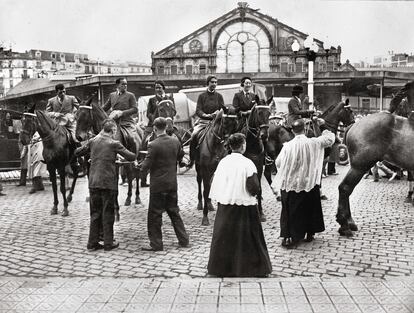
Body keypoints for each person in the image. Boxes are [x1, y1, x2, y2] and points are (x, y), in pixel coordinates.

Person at [208, 133, 272, 277]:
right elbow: (254, 187)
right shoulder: (247, 163)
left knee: (224, 236)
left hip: (226, 203)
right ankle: (253, 267)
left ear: (230, 146)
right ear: (243, 146)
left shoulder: (223, 162)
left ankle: (221, 268)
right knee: (249, 236)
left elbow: (215, 182)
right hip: (245, 205)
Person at [75, 119, 136, 252]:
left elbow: (78, 152)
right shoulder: (114, 143)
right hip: (108, 183)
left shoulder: (93, 141)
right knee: (108, 213)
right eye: (115, 131)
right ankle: (108, 243)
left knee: (95, 213)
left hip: (93, 183)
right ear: (113, 130)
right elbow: (131, 157)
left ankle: (92, 244)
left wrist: (94, 157)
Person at [272, 119, 335, 248]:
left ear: (293, 131)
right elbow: (329, 139)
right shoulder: (313, 143)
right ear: (305, 130)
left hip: (290, 183)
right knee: (311, 206)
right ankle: (310, 233)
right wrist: (322, 124)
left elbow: (278, 163)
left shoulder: (287, 146)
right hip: (308, 182)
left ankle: (288, 235)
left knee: (288, 209)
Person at [140, 117, 189, 251]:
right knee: (174, 212)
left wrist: (138, 165)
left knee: (155, 215)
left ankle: (156, 244)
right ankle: (184, 240)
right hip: (172, 184)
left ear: (155, 129)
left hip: (158, 186)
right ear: (166, 127)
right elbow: (180, 155)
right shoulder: (175, 141)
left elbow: (146, 166)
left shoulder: (153, 144)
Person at [141, 80, 176, 187]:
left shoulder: (169, 98)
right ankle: (142, 161)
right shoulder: (152, 100)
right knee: (145, 139)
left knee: (177, 137)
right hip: (155, 124)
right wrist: (156, 120)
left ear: (163, 88)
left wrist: (169, 118)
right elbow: (148, 113)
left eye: (160, 87)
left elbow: (174, 111)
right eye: (156, 88)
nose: (158, 89)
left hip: (168, 123)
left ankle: (180, 158)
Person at [188, 75, 225, 167]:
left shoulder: (219, 96)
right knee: (194, 135)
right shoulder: (202, 96)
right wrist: (206, 115)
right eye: (212, 82)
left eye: (215, 82)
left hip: (216, 123)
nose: (214, 84)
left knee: (226, 135)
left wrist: (218, 113)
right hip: (203, 122)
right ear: (208, 83)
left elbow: (223, 109)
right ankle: (192, 159)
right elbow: (198, 110)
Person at [102, 78, 140, 156]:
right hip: (113, 122)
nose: (125, 86)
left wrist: (121, 113)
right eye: (123, 84)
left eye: (126, 84)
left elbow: (135, 109)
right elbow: (105, 108)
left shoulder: (130, 95)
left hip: (126, 122)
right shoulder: (112, 95)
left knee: (132, 138)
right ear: (117, 85)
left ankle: (133, 157)